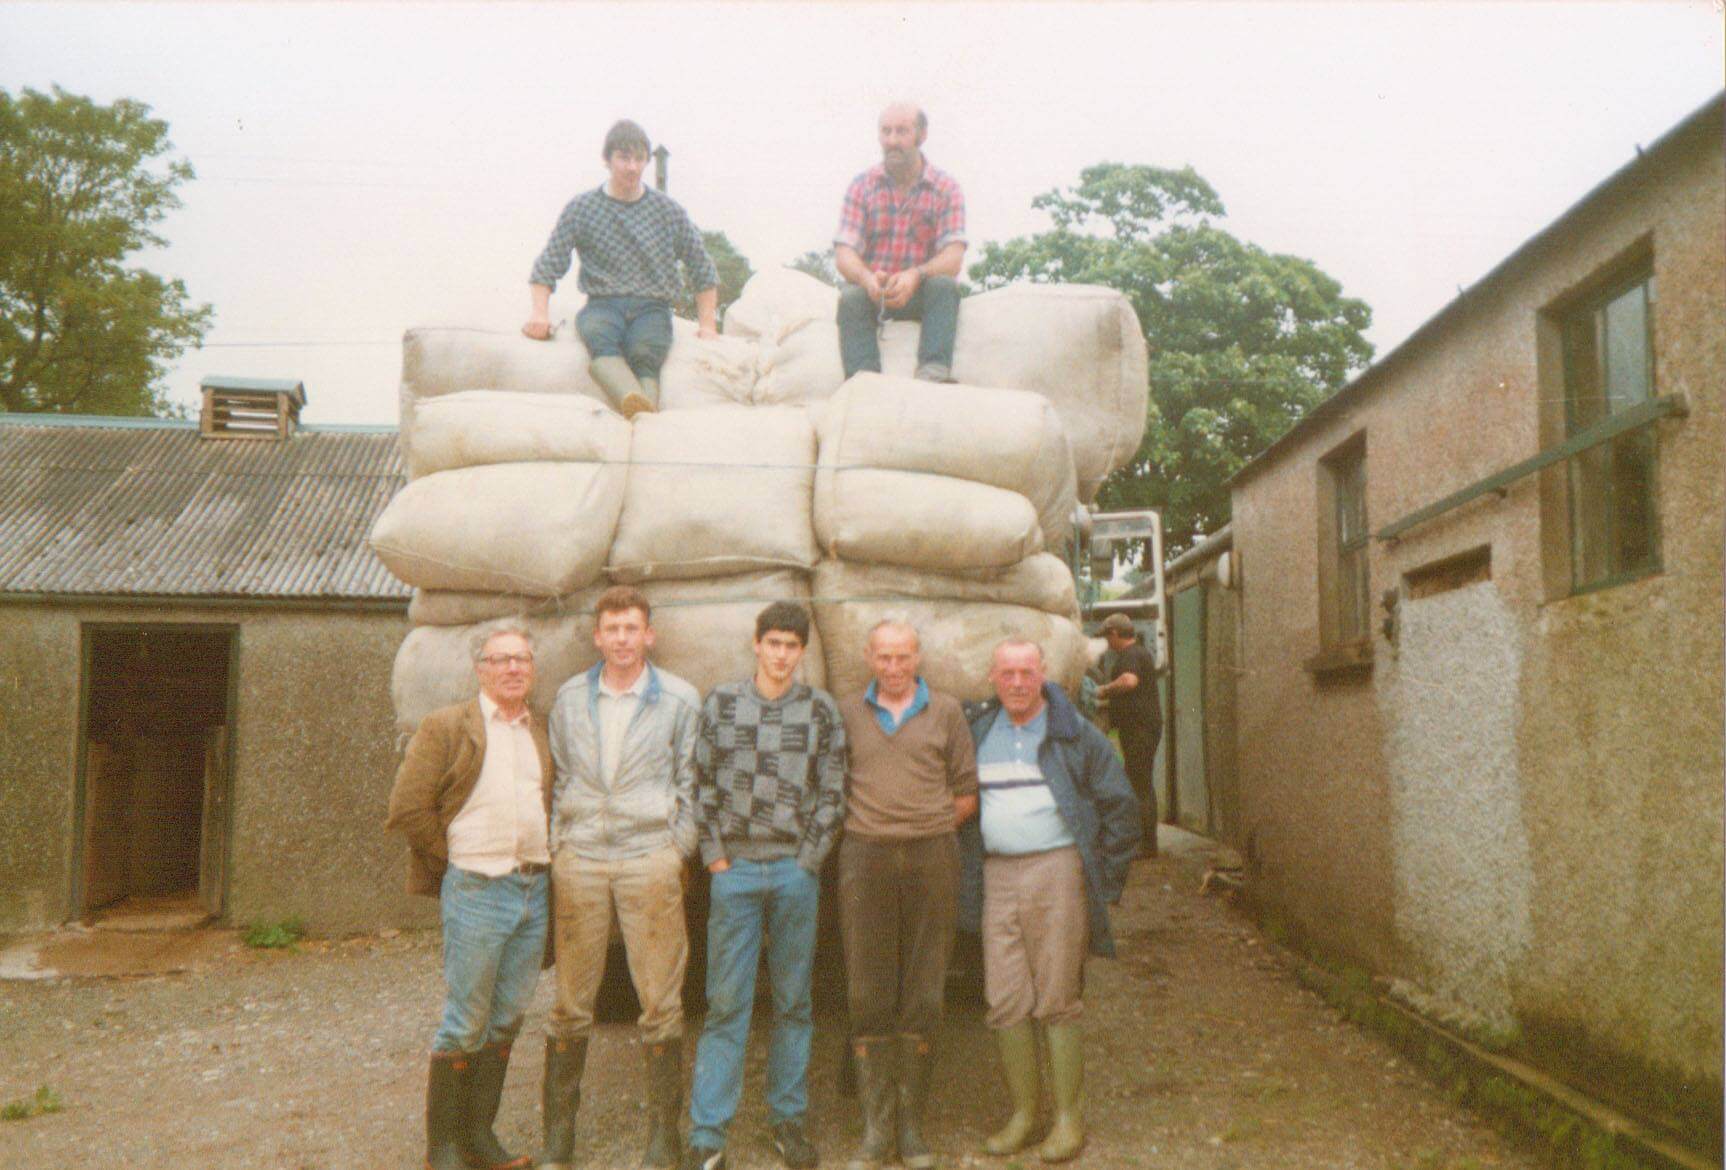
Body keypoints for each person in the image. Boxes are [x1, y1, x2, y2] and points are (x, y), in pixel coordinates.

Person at [681, 602, 848, 1170]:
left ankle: (788, 1120)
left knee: (793, 1002)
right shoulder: (723, 703)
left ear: (802, 652)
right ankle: (708, 1133)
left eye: (791, 645)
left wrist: (809, 860)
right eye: (772, 642)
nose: (781, 654)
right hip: (735, 875)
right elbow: (699, 782)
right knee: (726, 1004)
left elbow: (832, 791)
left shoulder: (820, 710)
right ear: (756, 643)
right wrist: (715, 858)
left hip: (795, 874)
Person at [540, 586, 702, 1170]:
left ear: (649, 635)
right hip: (580, 857)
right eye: (612, 629)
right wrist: (560, 844)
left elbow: (693, 783)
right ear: (597, 637)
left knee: (660, 1000)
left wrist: (674, 851)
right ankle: (559, 1137)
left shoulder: (679, 700)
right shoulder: (568, 699)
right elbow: (558, 777)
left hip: (647, 857)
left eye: (633, 628)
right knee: (570, 1002)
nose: (623, 639)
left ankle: (664, 1137)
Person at [959, 640, 1139, 1163]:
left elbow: (1119, 805)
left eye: (1027, 672)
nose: (1017, 681)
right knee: (1005, 996)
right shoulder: (978, 732)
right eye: (1008, 672)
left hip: (1057, 869)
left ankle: (1068, 1118)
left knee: (1057, 995)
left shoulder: (1072, 733)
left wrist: (1100, 882)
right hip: (998, 873)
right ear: (992, 677)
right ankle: (1024, 1115)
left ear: (1043, 675)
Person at [385, 621, 552, 1170]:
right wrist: (457, 861)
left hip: (533, 888)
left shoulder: (539, 728)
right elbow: (407, 808)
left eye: (521, 660)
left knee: (507, 1017)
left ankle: (479, 1138)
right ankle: (443, 1148)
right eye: (501, 660)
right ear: (479, 669)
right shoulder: (447, 726)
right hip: (478, 888)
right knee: (465, 1019)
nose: (513, 669)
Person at [836, 620, 979, 1170]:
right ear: (869, 658)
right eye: (883, 657)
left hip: (931, 857)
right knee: (867, 988)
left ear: (918, 657)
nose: (893, 667)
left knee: (923, 987)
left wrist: (926, 824)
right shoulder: (849, 711)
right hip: (865, 857)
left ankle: (911, 1127)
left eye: (902, 657)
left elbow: (966, 791)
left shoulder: (945, 711)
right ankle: (876, 1132)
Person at [524, 119, 719, 418]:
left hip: (652, 307)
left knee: (646, 351)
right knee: (597, 334)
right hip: (603, 304)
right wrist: (539, 314)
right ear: (607, 160)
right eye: (624, 157)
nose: (632, 167)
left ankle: (643, 413)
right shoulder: (583, 208)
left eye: (639, 158)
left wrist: (707, 326)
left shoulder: (668, 211)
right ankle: (637, 405)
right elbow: (549, 264)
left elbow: (702, 268)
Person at [833, 103, 967, 384]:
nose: (892, 140)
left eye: (902, 132)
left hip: (922, 291)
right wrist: (866, 277)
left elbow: (954, 257)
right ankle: (863, 380)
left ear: (921, 135)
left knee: (945, 287)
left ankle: (934, 372)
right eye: (886, 131)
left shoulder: (946, 188)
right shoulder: (861, 185)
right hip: (874, 292)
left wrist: (915, 276)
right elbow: (844, 252)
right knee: (850, 298)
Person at [1096, 613, 1163, 857]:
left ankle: (1144, 846)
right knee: (1141, 783)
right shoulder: (1138, 653)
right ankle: (1147, 844)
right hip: (1141, 728)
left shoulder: (1131, 655)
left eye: (1106, 636)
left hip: (1140, 729)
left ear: (1114, 633)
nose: (1107, 642)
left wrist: (1103, 690)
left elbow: (1130, 681)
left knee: (1139, 785)